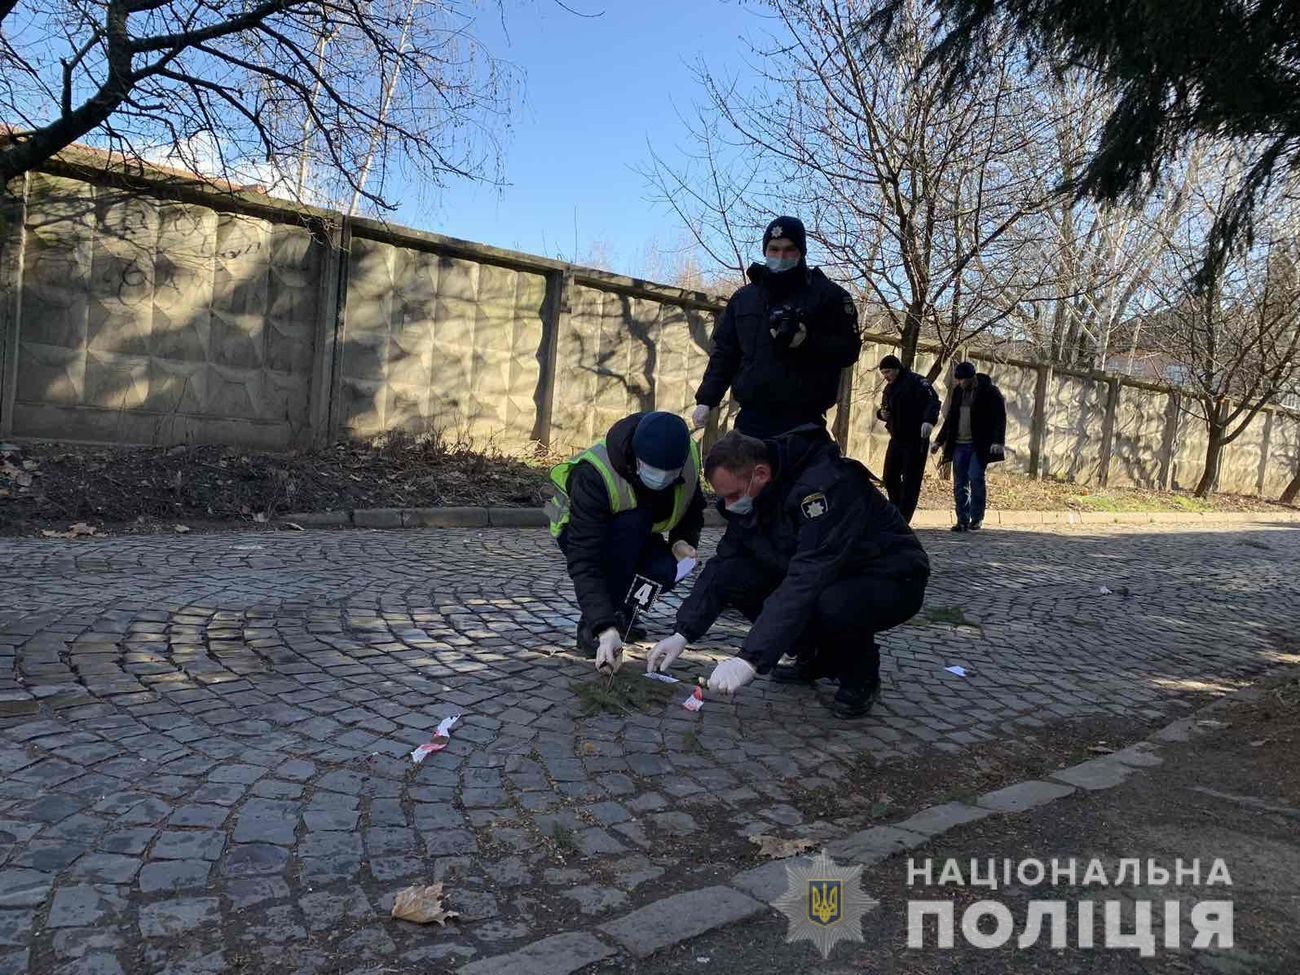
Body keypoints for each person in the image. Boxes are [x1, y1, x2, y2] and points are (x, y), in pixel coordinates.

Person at [644, 427, 929, 719]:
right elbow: (724, 563)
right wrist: (683, 632)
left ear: (761, 474)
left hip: (890, 576)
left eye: (732, 496)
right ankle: (815, 656)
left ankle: (861, 676)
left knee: (834, 603)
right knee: (735, 574)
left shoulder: (825, 489)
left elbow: (806, 578)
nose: (729, 507)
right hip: (829, 573)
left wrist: (749, 659)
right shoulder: (756, 494)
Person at [545, 411, 704, 671]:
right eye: (654, 471)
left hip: (639, 534)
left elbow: (692, 508)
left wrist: (682, 541)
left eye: (670, 474)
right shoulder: (595, 473)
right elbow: (585, 560)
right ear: (636, 458)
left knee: (670, 570)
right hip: (576, 530)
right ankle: (596, 625)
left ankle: (627, 614)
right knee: (632, 528)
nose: (662, 479)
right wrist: (603, 626)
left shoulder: (686, 460)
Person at [690, 216, 862, 438]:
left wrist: (808, 341)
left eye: (790, 249)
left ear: (801, 251)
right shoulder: (745, 299)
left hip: (804, 424)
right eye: (774, 249)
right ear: (765, 251)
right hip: (751, 422)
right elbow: (725, 353)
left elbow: (849, 350)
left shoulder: (829, 296)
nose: (781, 256)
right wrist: (706, 399)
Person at [931, 362, 1007, 532]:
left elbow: (999, 418)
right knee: (960, 482)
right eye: (957, 380)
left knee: (975, 477)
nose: (959, 383)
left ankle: (976, 517)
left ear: (971, 378)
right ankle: (962, 519)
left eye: (961, 380)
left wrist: (997, 441)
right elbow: (951, 418)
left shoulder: (990, 392)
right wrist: (939, 441)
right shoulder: (958, 392)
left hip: (978, 445)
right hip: (959, 444)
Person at [876, 353, 940, 522]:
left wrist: (928, 421)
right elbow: (885, 408)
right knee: (889, 476)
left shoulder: (917, 382)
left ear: (897, 369)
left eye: (888, 372)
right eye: (883, 373)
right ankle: (896, 510)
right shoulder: (889, 388)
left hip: (916, 438)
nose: (886, 376)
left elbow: (933, 402)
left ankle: (904, 518)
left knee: (911, 479)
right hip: (897, 437)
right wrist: (881, 414)